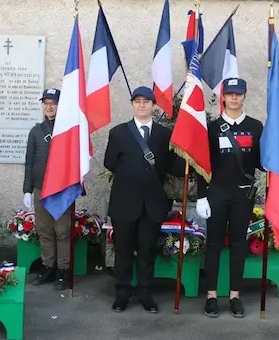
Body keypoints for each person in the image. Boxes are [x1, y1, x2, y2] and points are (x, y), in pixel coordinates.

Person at [104, 86, 185, 313]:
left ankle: (145, 293)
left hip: (152, 203)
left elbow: (171, 166)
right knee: (123, 251)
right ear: (132, 104)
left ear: (153, 105)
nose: (142, 105)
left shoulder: (163, 134)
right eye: (137, 101)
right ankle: (122, 294)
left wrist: (190, 156)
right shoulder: (118, 133)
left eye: (146, 101)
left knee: (147, 252)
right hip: (124, 203)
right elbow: (109, 163)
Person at [196, 78, 264, 318]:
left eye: (239, 94)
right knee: (213, 245)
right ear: (223, 97)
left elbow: (260, 162)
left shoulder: (256, 127)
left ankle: (235, 295)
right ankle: (211, 296)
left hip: (242, 195)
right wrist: (201, 196)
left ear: (245, 96)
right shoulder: (211, 128)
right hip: (216, 194)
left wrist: (275, 165)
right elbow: (203, 165)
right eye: (230, 94)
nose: (234, 98)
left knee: (238, 245)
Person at [23, 88, 70, 290]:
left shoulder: (68, 130)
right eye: (46, 103)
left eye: (54, 103)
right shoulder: (36, 131)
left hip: (62, 189)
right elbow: (30, 162)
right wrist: (27, 189)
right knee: (45, 231)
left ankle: (63, 271)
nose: (50, 106)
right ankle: (48, 267)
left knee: (62, 231)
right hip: (41, 188)